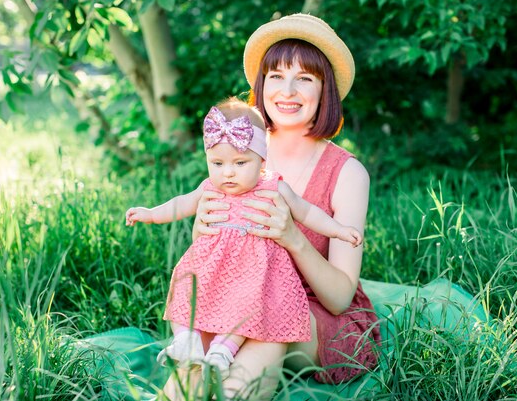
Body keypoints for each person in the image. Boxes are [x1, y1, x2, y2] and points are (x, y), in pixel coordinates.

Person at [159, 13, 382, 400]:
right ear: (261, 85)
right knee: (213, 323)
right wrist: (202, 231)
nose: (288, 90)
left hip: (321, 320)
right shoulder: (239, 155)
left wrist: (292, 237)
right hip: (240, 302)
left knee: (263, 314)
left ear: (324, 90)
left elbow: (339, 296)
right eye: (276, 76)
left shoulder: (348, 173)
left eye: (305, 79)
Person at [125, 98, 364, 379]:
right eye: (217, 163)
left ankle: (225, 348)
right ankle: (186, 340)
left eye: (240, 162)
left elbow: (308, 213)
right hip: (216, 271)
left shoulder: (274, 186)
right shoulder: (210, 188)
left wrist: (338, 230)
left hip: (254, 274)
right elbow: (180, 204)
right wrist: (150, 213)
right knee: (186, 289)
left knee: (248, 302)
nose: (228, 172)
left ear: (261, 162)